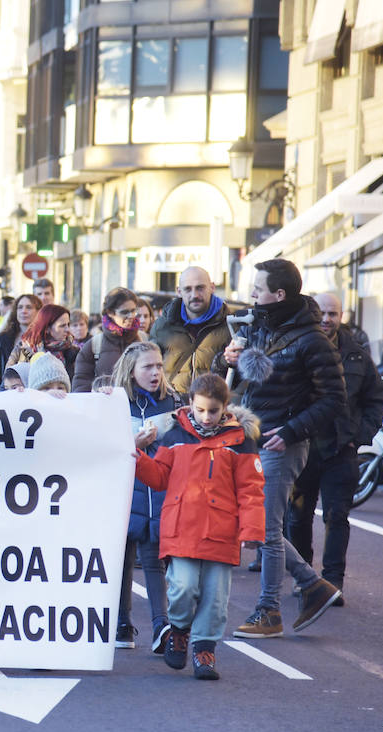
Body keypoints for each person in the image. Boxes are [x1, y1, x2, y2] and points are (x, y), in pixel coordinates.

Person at [217, 259, 345, 638]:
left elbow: (335, 399)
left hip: (282, 443)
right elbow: (234, 376)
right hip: (252, 437)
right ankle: (312, 584)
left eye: (258, 288)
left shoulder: (312, 340)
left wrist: (291, 431)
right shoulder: (257, 325)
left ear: (279, 293)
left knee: (266, 528)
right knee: (256, 524)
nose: (252, 294)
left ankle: (269, 611)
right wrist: (226, 359)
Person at [133, 374, 265, 680]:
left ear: (225, 407)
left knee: (216, 597)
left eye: (214, 411)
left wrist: (252, 531)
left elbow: (251, 489)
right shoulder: (175, 436)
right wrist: (137, 458)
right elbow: (159, 477)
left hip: (221, 531)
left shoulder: (241, 442)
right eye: (201, 409)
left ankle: (204, 649)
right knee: (182, 587)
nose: (206, 417)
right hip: (182, 529)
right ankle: (179, 630)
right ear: (190, 403)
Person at [287, 292, 383, 599]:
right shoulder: (297, 347)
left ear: (341, 316)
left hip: (341, 450)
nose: (327, 319)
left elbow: (376, 399)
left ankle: (332, 582)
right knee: (297, 516)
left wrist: (359, 436)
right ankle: (305, 578)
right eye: (322, 313)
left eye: (333, 314)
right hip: (303, 448)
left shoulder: (357, 356)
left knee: (337, 516)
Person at [112, 341, 180, 652]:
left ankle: (160, 626)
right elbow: (103, 447)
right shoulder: (114, 403)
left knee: (154, 561)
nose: (155, 373)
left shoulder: (173, 402)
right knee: (122, 560)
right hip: (124, 494)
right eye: (147, 367)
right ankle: (122, 624)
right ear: (131, 371)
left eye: (159, 366)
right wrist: (133, 443)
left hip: (157, 496)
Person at [150, 266, 232, 394]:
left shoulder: (231, 325)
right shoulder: (162, 326)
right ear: (179, 291)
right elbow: (149, 368)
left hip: (213, 404)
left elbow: (243, 378)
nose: (194, 295)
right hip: (172, 402)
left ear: (212, 287)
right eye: (188, 289)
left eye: (200, 288)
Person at [72, 287, 141, 393]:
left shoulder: (143, 341)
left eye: (133, 311)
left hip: (140, 403)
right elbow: (81, 385)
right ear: (110, 312)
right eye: (124, 312)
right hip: (105, 402)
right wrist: (98, 393)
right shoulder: (93, 346)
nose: (131, 316)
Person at [0, 295, 41, 391]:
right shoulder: (2, 340)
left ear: (38, 312)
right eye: (20, 307)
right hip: (6, 393)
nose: (24, 311)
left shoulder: (45, 340)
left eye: (29, 307)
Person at [10, 304, 77, 377]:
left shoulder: (73, 352)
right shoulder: (24, 349)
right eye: (62, 326)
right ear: (47, 328)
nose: (67, 329)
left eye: (68, 324)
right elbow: (8, 379)